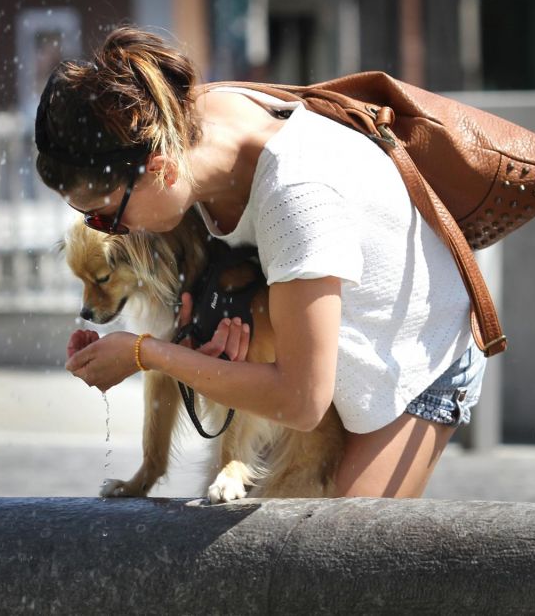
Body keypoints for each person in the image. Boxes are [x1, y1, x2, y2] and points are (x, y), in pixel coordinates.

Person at [33, 25, 485, 498]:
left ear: (159, 171)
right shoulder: (184, 123)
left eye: (107, 219)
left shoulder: (294, 196)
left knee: (334, 554)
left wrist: (146, 353)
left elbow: (300, 400)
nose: (117, 234)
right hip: (327, 345)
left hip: (416, 353)